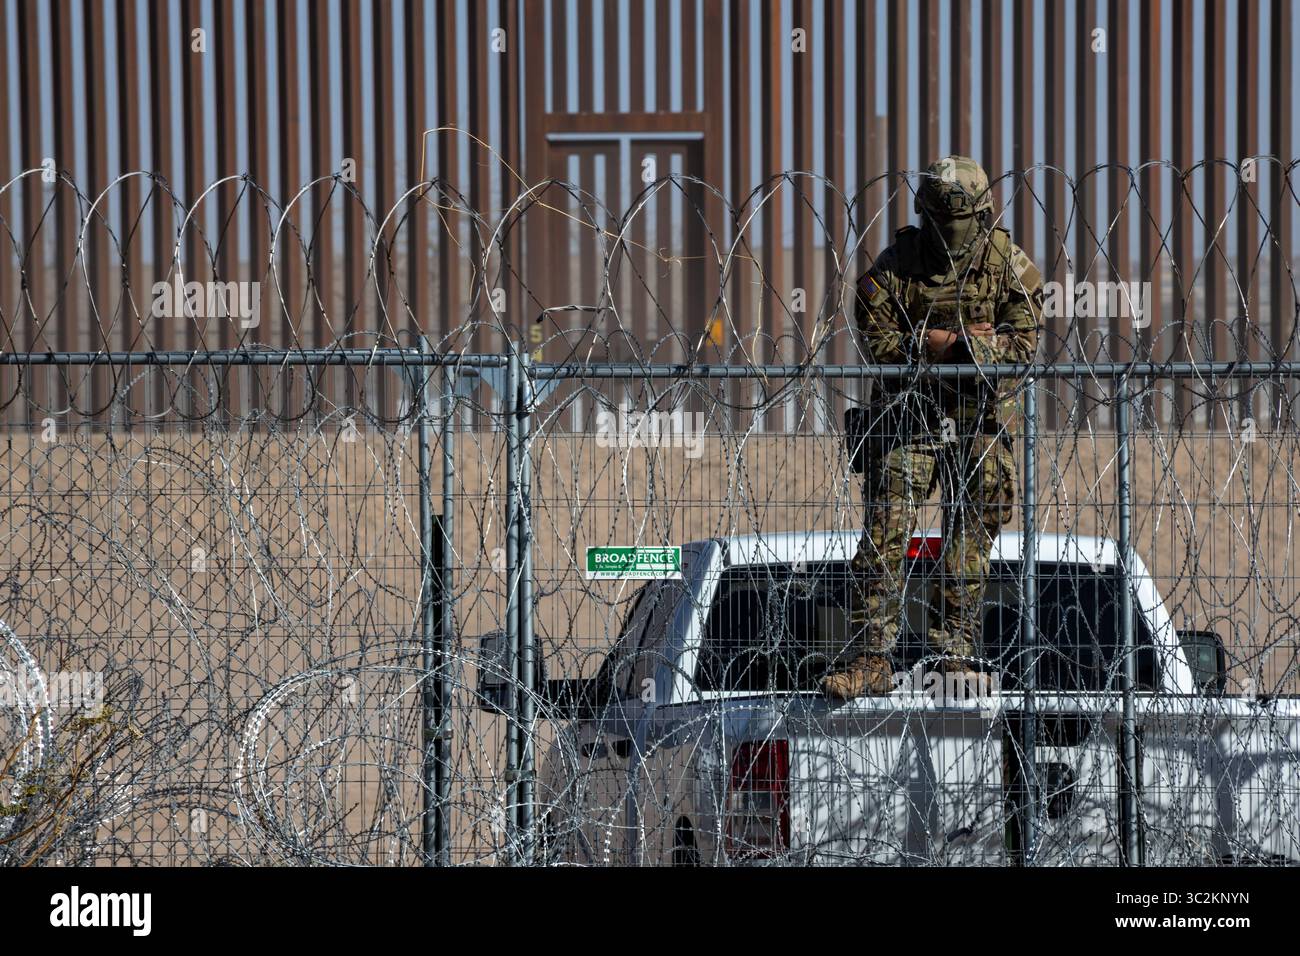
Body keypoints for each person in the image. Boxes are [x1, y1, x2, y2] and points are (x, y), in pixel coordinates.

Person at [823, 155, 1044, 700]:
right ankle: (872, 659)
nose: (946, 236)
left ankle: (955, 655)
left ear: (982, 215)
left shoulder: (1005, 265)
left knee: (969, 541)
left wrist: (952, 344)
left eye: (956, 225)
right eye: (938, 223)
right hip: (909, 419)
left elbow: (1023, 346)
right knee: (884, 536)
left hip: (978, 424)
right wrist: (951, 342)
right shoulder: (899, 263)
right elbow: (878, 339)